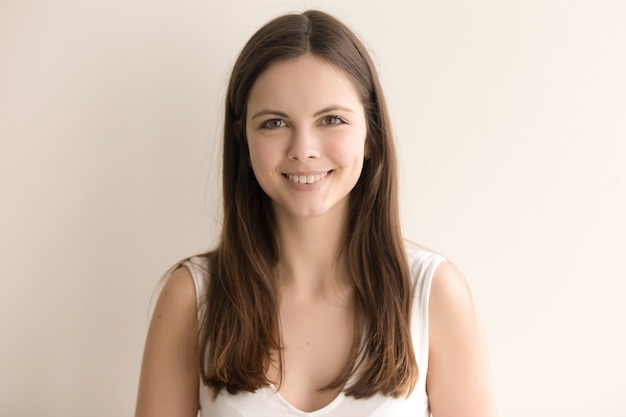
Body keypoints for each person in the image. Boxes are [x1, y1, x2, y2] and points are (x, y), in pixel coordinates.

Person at [135, 9, 496, 417]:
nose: (303, 149)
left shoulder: (433, 295)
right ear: (243, 140)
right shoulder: (192, 298)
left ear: (370, 135)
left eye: (331, 119)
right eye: (273, 123)